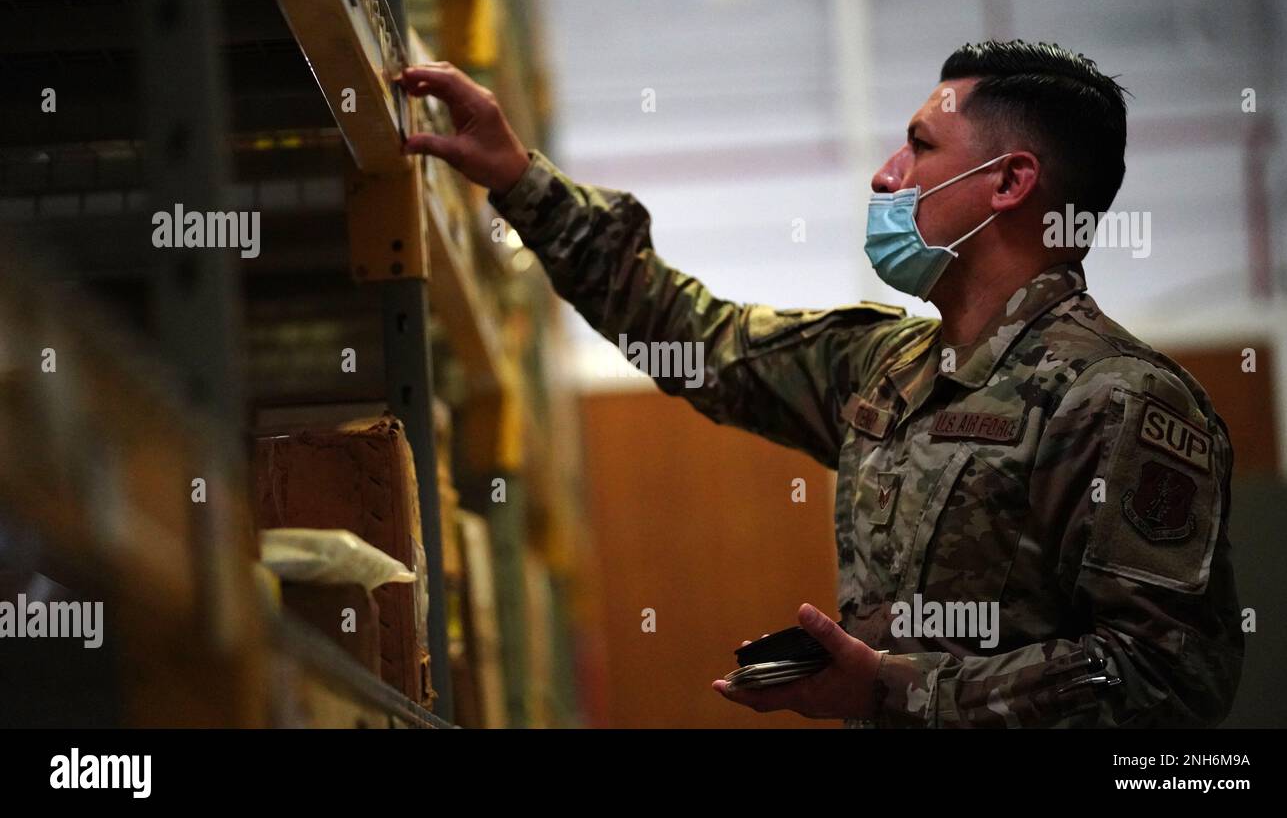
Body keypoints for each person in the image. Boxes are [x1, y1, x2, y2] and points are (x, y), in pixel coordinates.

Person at [399, 40, 1243, 727]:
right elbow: (700, 341)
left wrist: (892, 686)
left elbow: (1163, 681)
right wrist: (519, 182)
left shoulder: (1119, 400)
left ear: (1010, 183)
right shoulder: (887, 367)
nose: (885, 177)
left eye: (918, 147)